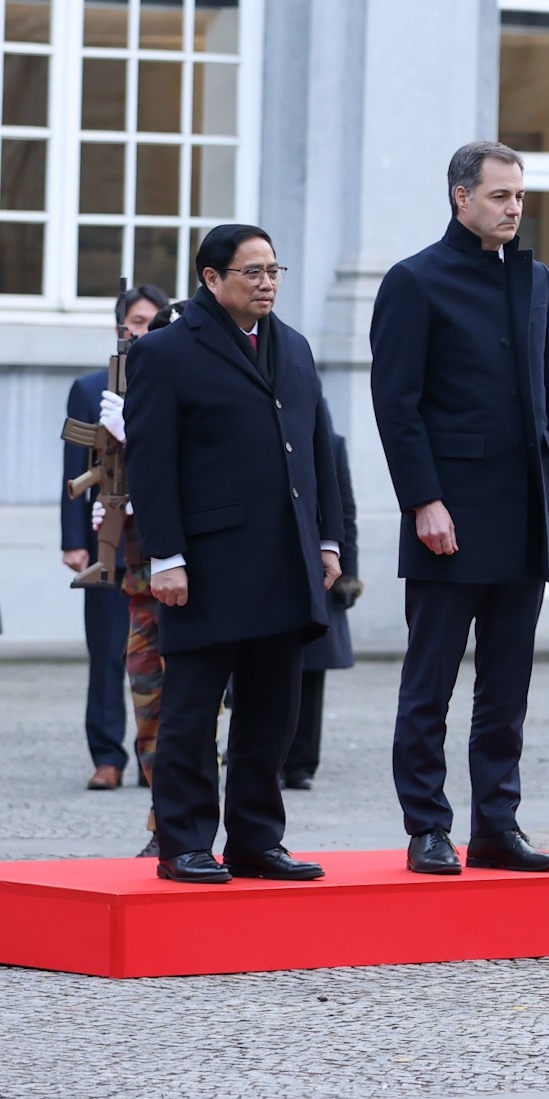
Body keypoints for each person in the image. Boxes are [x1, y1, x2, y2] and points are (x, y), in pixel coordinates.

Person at [370, 141, 549, 876]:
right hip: (448, 521)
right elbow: (396, 407)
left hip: (524, 516)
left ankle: (497, 823)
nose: (514, 208)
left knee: (507, 685)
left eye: (520, 196)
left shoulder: (534, 280)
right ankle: (427, 826)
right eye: (500, 196)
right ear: (461, 196)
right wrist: (424, 500)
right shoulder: (414, 282)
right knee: (429, 682)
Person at [123, 226, 343, 883]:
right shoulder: (165, 352)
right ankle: (183, 841)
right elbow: (152, 463)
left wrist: (328, 539)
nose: (267, 282)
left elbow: (317, 447)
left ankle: (255, 839)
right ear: (211, 278)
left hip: (286, 558)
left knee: (272, 712)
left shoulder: (295, 347)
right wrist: (165, 555)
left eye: (274, 269)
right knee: (190, 711)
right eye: (252, 271)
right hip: (207, 566)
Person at [63, 284, 166, 790]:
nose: (139, 331)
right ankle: (107, 756)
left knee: (158, 655)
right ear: (118, 328)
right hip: (107, 534)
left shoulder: (172, 379)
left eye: (149, 322)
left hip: (154, 541)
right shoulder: (89, 387)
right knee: (105, 652)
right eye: (133, 323)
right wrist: (72, 541)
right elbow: (72, 469)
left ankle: (157, 756)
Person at [284, 417, 361, 791]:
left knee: (311, 672)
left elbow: (345, 513)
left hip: (318, 566)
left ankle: (300, 763)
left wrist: (349, 574)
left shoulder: (330, 441)